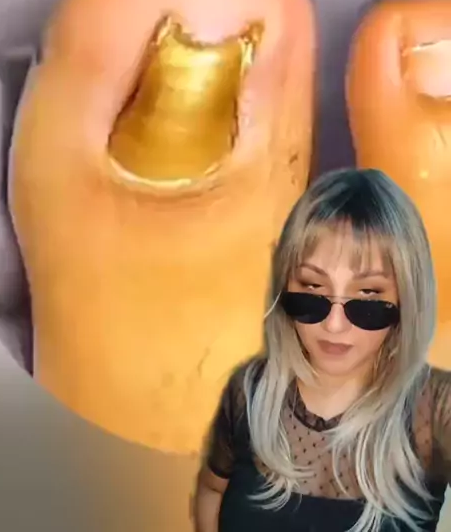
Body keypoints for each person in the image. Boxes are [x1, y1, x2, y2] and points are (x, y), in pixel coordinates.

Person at [193, 167, 451, 532]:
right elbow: (211, 490)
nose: (334, 325)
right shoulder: (251, 392)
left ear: (405, 299)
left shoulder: (436, 411)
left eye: (367, 297)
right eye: (313, 289)